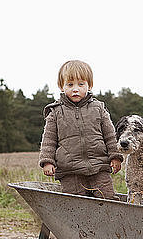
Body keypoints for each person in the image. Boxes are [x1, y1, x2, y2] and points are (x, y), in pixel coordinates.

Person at [39, 60, 123, 199]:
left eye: (81, 84)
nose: (75, 89)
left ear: (89, 85)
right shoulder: (55, 112)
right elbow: (49, 140)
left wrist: (115, 156)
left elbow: (110, 136)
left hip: (98, 166)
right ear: (61, 86)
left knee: (106, 198)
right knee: (75, 203)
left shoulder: (99, 108)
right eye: (70, 84)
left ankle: (106, 221)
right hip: (70, 170)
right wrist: (47, 161)